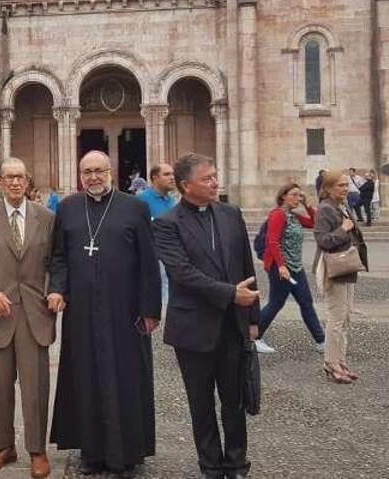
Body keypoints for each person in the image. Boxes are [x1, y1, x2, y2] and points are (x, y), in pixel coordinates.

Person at [48, 150, 162, 475]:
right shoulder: (68, 208)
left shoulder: (135, 207)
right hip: (81, 313)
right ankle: (92, 453)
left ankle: (128, 455)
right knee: (85, 379)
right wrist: (57, 288)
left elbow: (148, 262)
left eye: (99, 171)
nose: (93, 177)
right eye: (87, 172)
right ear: (80, 175)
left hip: (125, 312)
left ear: (110, 172)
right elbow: (58, 257)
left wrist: (150, 309)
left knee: (126, 380)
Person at [153, 153, 260, 479]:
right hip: (193, 327)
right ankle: (210, 464)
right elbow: (182, 274)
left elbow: (246, 267)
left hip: (232, 324)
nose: (215, 183)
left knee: (234, 399)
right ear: (186, 186)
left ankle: (237, 463)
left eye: (215, 176)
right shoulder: (167, 224)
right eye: (207, 178)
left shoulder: (231, 214)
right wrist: (230, 294)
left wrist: (253, 318)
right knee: (200, 403)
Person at [0, 158, 55, 478]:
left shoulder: (46, 217)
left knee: (35, 388)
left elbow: (54, 263)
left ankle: (37, 450)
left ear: (28, 180)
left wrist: (52, 292)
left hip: (34, 315)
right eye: (9, 177)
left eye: (21, 177)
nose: (15, 183)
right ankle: (3, 447)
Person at [255, 183, 324, 354]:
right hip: (281, 268)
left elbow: (314, 222)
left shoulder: (293, 216)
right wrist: (280, 266)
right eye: (294, 194)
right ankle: (253, 337)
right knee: (276, 303)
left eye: (300, 195)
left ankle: (321, 341)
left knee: (306, 302)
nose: (297, 198)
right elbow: (272, 242)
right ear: (283, 196)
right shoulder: (278, 215)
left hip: (295, 267)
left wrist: (307, 204)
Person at [313, 170, 368, 384]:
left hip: (347, 268)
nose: (345, 189)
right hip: (335, 269)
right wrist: (344, 229)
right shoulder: (326, 209)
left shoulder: (340, 206)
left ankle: (340, 360)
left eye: (346, 185)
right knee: (336, 320)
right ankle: (331, 363)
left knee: (345, 319)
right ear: (328, 188)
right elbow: (323, 240)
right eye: (340, 185)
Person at [138, 163, 178, 307]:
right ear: (155, 177)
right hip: (155, 258)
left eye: (173, 174)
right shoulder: (141, 200)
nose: (173, 178)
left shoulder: (172, 200)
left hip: (173, 257)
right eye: (167, 175)